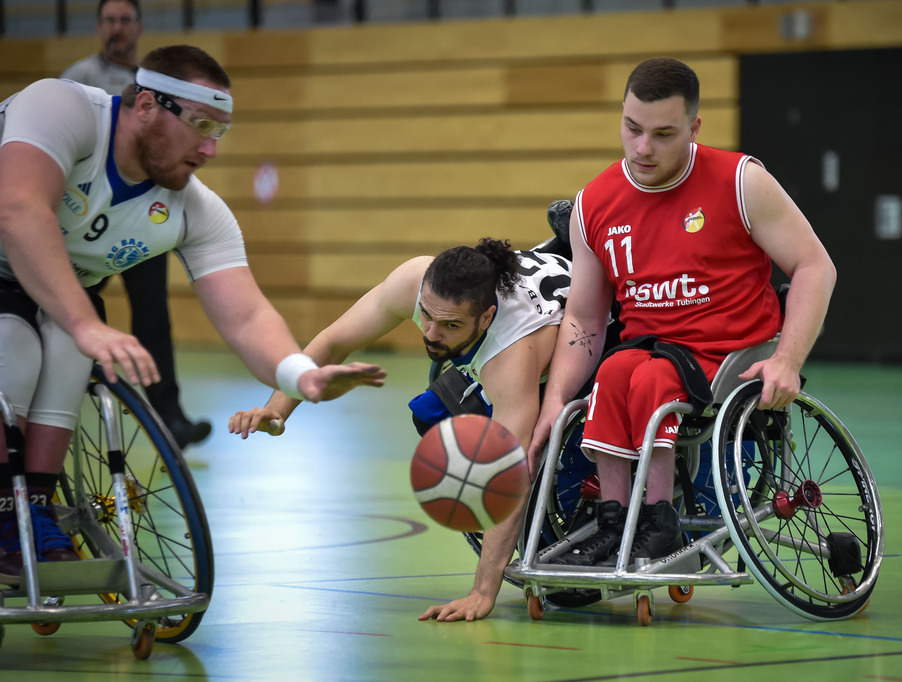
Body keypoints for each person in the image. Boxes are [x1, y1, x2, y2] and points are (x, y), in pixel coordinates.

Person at [0, 45, 387, 583]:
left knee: (67, 347)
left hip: (50, 289)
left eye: (219, 132)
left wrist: (302, 376)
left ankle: (33, 509)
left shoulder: (197, 210)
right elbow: (18, 208)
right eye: (201, 125)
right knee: (15, 342)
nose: (210, 148)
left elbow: (247, 317)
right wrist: (87, 324)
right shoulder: (60, 107)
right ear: (146, 106)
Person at [529, 57, 837, 568]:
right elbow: (585, 318)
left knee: (654, 379)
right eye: (632, 128)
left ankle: (659, 522)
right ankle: (612, 522)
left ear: (694, 128)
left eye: (663, 134)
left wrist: (788, 359)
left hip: (730, 351)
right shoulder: (595, 204)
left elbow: (815, 266)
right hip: (650, 350)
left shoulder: (741, 182)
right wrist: (556, 400)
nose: (642, 148)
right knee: (612, 374)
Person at [228, 238, 573, 622]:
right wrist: (277, 410)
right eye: (426, 316)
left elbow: (511, 474)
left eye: (451, 325)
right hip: (531, 299)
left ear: (486, 318)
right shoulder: (414, 280)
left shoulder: (511, 359)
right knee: (430, 413)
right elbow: (334, 341)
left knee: (504, 460)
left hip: (585, 335)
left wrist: (482, 592)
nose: (430, 333)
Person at [60, 0, 213, 449]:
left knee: (153, 316)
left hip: (141, 219)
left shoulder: (155, 82)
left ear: (139, 28)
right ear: (99, 26)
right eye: (109, 20)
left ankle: (170, 419)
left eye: (124, 20)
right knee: (69, 310)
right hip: (85, 222)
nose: (117, 28)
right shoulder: (78, 77)